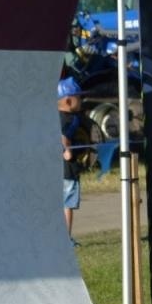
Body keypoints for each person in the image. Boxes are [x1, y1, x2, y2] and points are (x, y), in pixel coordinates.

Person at [59, 75, 88, 244]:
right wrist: (67, 152)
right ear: (69, 101)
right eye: (78, 97)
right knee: (68, 205)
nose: (81, 100)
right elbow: (63, 137)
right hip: (68, 170)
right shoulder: (71, 119)